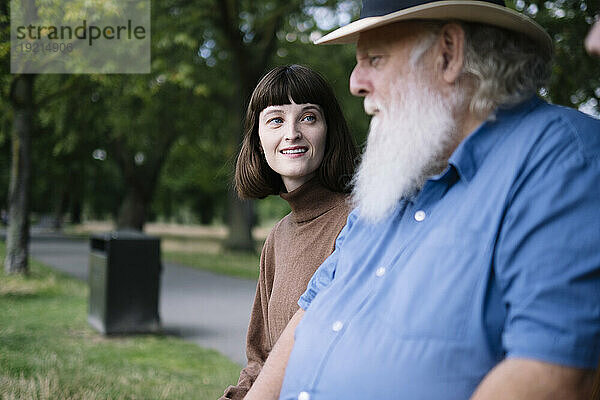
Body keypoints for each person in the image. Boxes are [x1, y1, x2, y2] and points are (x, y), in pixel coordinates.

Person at [245, 1, 600, 399]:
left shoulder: (561, 160)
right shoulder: (398, 175)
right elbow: (309, 316)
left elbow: (551, 374)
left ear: (449, 53)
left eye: (374, 59)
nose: (355, 82)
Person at [219, 64, 357, 400]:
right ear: (258, 139)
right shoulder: (277, 238)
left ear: (329, 130)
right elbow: (260, 359)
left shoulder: (359, 222)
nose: (292, 133)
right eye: (276, 120)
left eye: (308, 117)